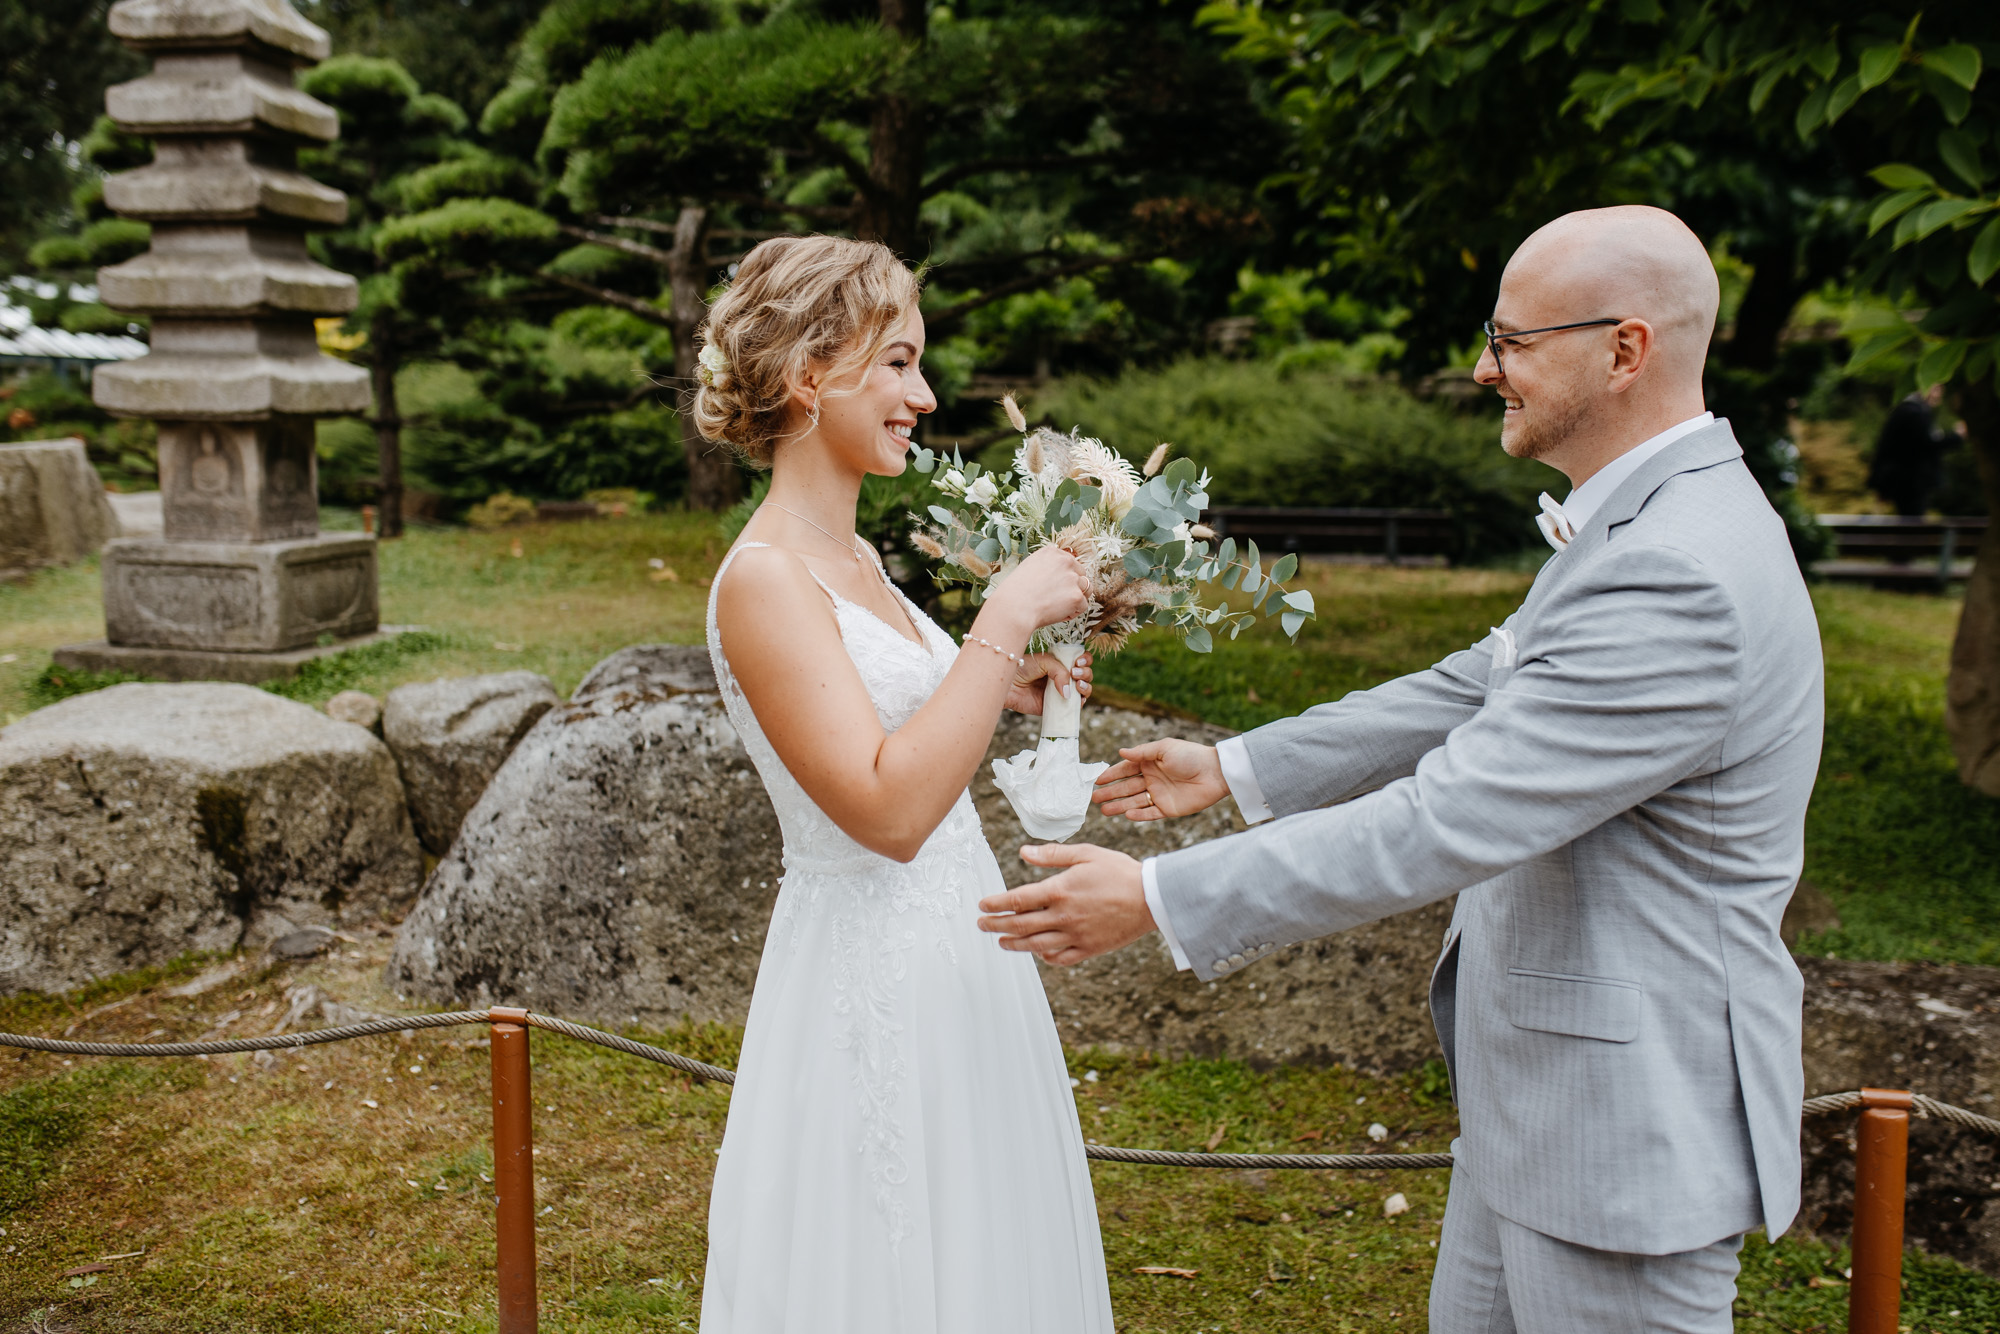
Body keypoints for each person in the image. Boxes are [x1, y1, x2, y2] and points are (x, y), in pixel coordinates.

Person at [976, 206, 1824, 1334]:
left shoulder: (1676, 567)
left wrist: (1158, 895)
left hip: (1623, 1129)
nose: (1483, 368)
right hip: (1537, 1107)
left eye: (1512, 341)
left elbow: (1449, 816)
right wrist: (1234, 763)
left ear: (1624, 349)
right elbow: (1480, 680)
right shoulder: (1652, 519)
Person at [697, 235, 1115, 1333]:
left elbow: (915, 721)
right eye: (895, 362)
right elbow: (885, 810)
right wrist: (999, 619)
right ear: (806, 375)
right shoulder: (763, 579)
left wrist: (1003, 683)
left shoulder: (862, 564)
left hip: (958, 960)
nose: (921, 395)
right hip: (862, 978)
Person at [1868, 384, 1955, 517]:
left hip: (1906, 482)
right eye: (1936, 389)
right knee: (1912, 523)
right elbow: (1927, 444)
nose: (1939, 395)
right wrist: (1957, 437)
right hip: (1909, 484)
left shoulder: (1912, 410)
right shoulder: (1913, 412)